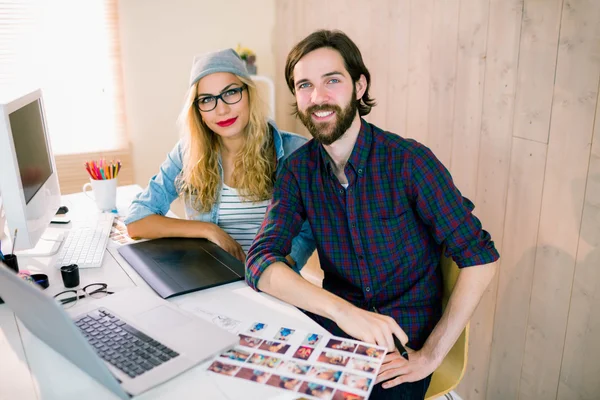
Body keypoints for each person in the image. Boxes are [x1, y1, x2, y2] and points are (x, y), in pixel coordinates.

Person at [246, 30, 500, 399]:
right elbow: (260, 261)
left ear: (359, 85)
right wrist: (345, 312)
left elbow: (480, 258)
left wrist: (431, 355)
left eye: (332, 80)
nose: (317, 98)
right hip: (337, 328)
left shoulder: (409, 162)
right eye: (304, 85)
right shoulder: (297, 171)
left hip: (402, 342)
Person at [125, 49, 314, 267]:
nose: (222, 109)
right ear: (198, 112)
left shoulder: (294, 151)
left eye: (231, 93)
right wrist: (208, 230)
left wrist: (274, 272)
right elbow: (137, 220)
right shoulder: (187, 152)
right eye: (206, 99)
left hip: (275, 282)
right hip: (212, 278)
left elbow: (311, 228)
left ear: (249, 94)